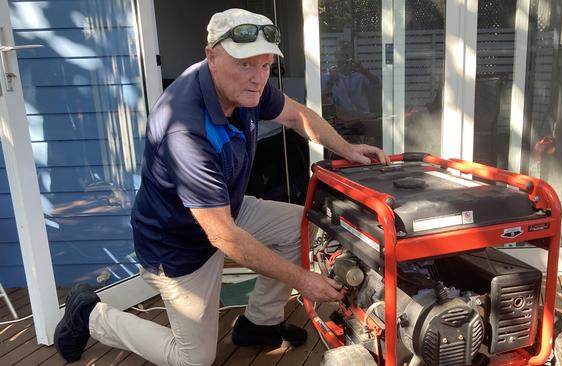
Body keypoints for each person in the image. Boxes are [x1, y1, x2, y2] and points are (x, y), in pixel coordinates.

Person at [52, 8, 388, 366]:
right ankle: (91, 314)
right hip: (177, 247)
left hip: (225, 211)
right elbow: (224, 238)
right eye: (245, 64)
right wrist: (303, 281)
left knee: (302, 226)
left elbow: (296, 115)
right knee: (192, 358)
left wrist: (348, 149)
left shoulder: (246, 90)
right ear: (211, 56)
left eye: (264, 65)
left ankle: (259, 323)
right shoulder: (184, 128)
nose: (258, 78)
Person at [322, 40, 381, 122]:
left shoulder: (361, 75)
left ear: (352, 57)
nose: (344, 59)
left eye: (347, 56)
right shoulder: (327, 77)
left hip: (364, 120)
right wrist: (331, 82)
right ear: (335, 56)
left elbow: (377, 84)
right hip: (342, 123)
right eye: (341, 55)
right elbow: (324, 102)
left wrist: (363, 71)